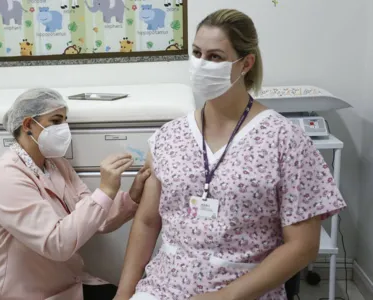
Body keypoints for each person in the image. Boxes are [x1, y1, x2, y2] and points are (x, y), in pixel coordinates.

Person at [114, 9, 347, 300]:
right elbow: (148, 222)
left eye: (215, 57)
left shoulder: (285, 140)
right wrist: (123, 295)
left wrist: (227, 296)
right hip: (163, 287)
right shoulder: (167, 138)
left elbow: (303, 245)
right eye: (196, 53)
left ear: (246, 63)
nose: (201, 65)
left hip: (245, 289)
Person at [0, 88, 151, 300]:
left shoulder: (56, 165)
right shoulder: (4, 178)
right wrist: (106, 189)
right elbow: (56, 244)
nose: (64, 129)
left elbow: (96, 219)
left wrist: (132, 195)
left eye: (65, 121)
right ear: (28, 125)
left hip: (63, 286)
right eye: (56, 121)